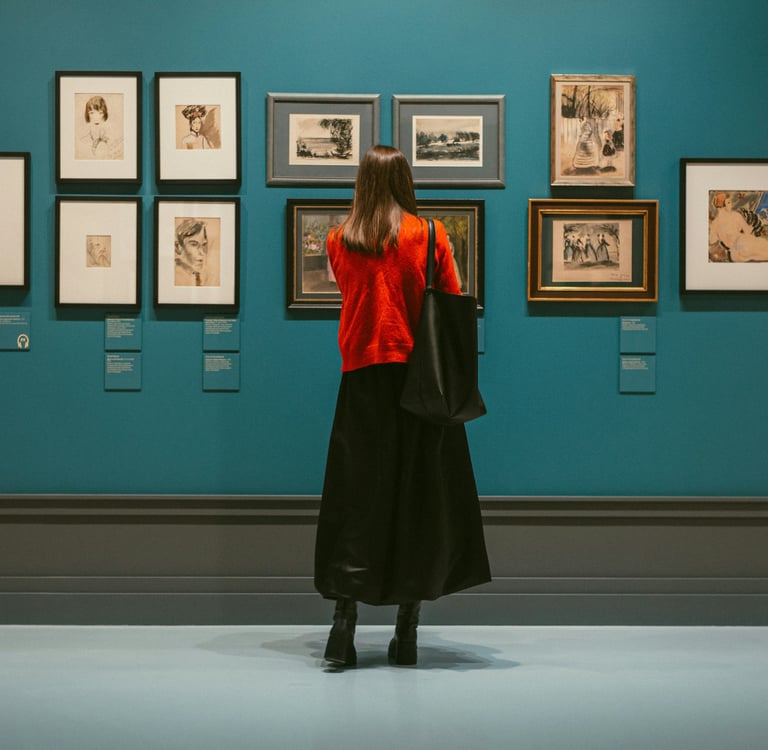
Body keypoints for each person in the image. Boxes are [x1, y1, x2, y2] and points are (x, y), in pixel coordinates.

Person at [314, 145, 491, 669]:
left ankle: (343, 628)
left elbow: (350, 292)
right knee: (421, 502)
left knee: (356, 502)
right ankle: (407, 633)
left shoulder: (338, 239)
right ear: (405, 180)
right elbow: (453, 300)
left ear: (363, 181)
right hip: (422, 383)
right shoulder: (430, 234)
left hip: (362, 378)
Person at [709, 192, 768, 262]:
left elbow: (712, 240)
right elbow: (747, 231)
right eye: (729, 202)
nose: (731, 204)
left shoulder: (714, 223)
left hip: (733, 254)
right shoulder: (734, 215)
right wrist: (750, 228)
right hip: (742, 244)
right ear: (724, 205)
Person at [174, 219, 209, 286]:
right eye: (194, 244)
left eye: (204, 244)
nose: (202, 252)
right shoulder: (176, 277)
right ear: (178, 247)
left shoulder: (200, 275)